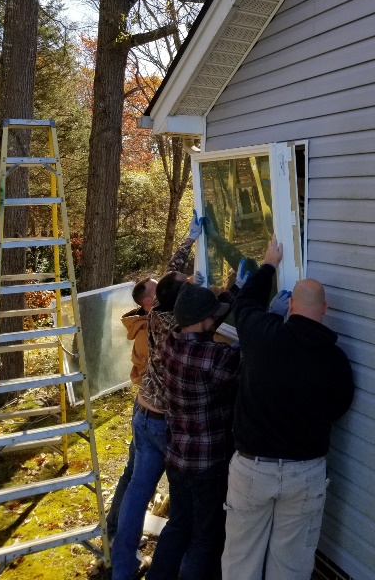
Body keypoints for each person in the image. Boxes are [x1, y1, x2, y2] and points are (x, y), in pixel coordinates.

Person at [221, 236, 354, 580]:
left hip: (253, 470)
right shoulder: (336, 361)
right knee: (291, 566)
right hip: (305, 474)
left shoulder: (263, 334)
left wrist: (269, 264)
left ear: (290, 305)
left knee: (241, 561)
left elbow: (246, 302)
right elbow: (339, 408)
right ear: (325, 311)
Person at [111, 212, 204, 580]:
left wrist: (188, 242)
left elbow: (171, 276)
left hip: (143, 412)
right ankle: (179, 566)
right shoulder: (178, 323)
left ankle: (122, 568)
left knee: (138, 490)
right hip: (166, 421)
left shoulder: (158, 313)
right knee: (182, 498)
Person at [146, 281, 243, 580]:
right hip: (207, 464)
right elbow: (248, 353)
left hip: (177, 457)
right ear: (202, 322)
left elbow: (206, 316)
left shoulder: (171, 340)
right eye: (213, 317)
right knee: (205, 537)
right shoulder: (215, 358)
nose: (216, 320)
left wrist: (236, 289)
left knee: (178, 526)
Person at [105, 278, 156, 542]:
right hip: (150, 410)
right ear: (148, 303)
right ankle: (116, 533)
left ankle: (116, 530)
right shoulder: (150, 332)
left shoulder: (151, 320)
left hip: (146, 406)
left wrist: (189, 243)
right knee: (136, 476)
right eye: (159, 290)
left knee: (135, 474)